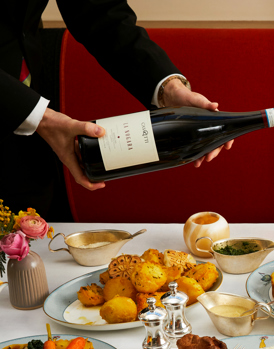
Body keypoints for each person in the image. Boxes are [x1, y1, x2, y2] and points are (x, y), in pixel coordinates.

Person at [0, 0, 232, 219]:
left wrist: (168, 88)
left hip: (27, 143)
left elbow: (99, 12)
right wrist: (40, 117)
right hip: (32, 115)